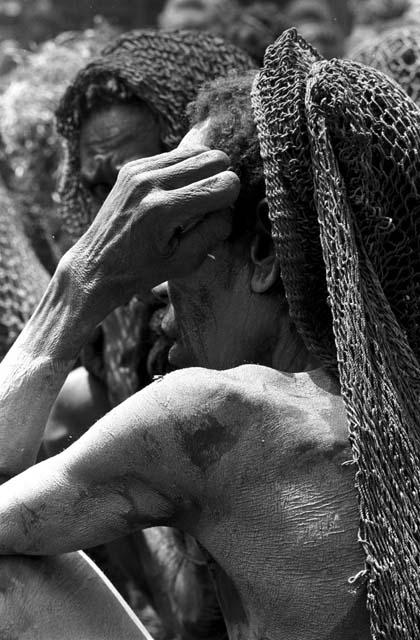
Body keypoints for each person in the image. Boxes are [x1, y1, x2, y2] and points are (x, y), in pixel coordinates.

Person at [0, 27, 419, 637]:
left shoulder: (218, 411)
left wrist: (82, 279)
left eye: (174, 234)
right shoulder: (385, 407)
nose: (152, 283)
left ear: (264, 256)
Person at [48, 29, 254, 639]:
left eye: (138, 186)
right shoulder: (117, 332)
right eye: (98, 190)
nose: (120, 218)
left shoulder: (256, 327)